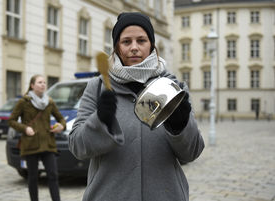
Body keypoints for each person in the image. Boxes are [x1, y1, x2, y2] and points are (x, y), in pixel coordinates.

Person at [68, 12, 205, 201]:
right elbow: (77, 147)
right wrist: (100, 121)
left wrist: (179, 125)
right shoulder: (97, 87)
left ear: (151, 45)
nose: (134, 47)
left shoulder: (173, 87)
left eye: (141, 40)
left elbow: (191, 152)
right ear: (116, 47)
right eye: (126, 42)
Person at [8, 75, 66, 201]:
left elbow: (61, 118)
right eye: (40, 82)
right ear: (32, 85)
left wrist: (61, 126)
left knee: (53, 175)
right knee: (33, 177)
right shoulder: (24, 102)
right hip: (31, 145)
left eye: (44, 82)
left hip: (48, 144)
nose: (43, 84)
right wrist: (25, 129)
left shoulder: (49, 102)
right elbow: (11, 121)